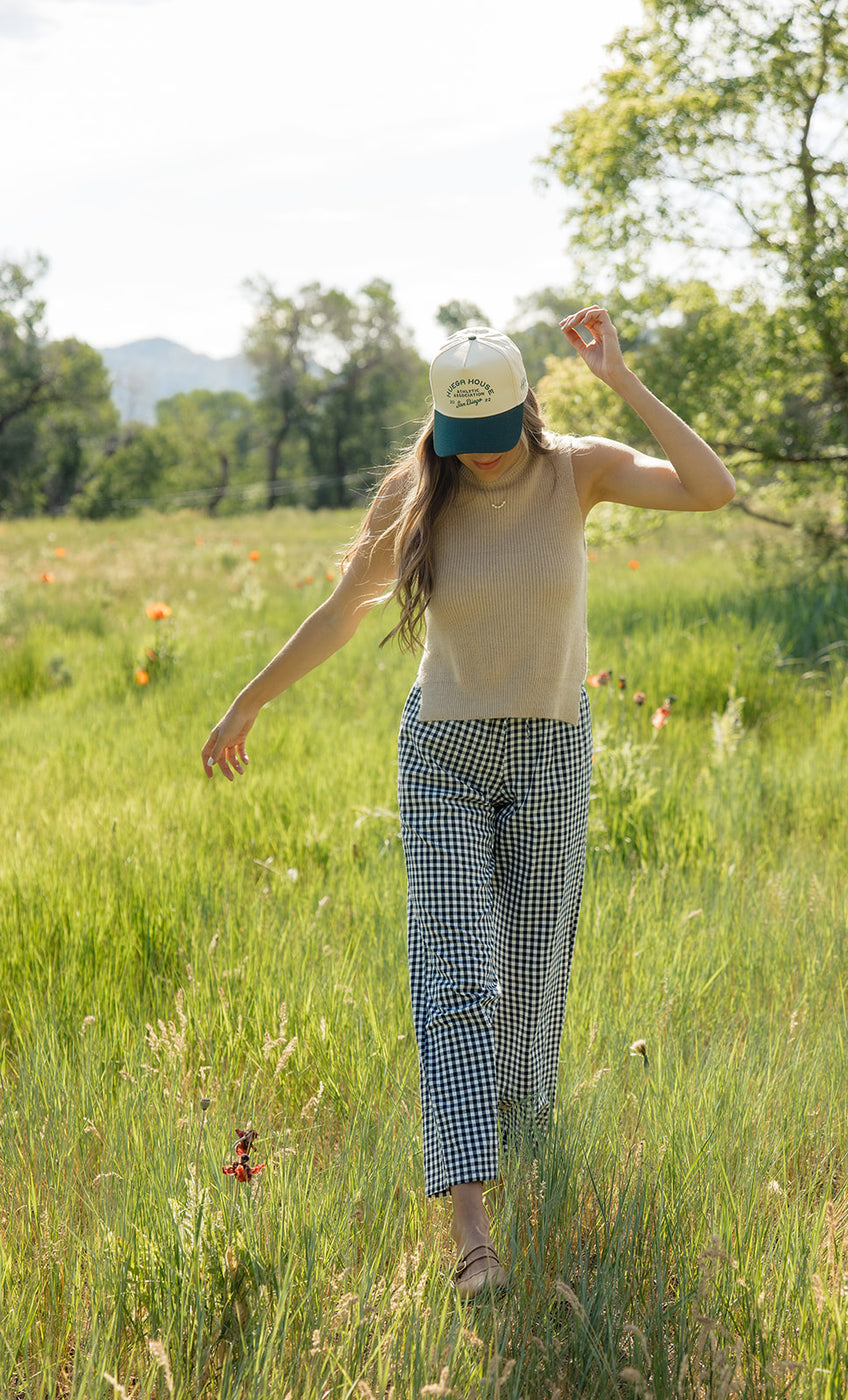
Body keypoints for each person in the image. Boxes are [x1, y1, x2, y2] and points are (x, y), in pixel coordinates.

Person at [201, 306, 735, 1299]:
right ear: (441, 426)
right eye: (466, 442)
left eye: (498, 439)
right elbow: (337, 612)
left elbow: (713, 490)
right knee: (455, 984)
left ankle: (523, 1129)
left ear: (529, 410)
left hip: (552, 750)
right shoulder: (418, 491)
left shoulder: (580, 468)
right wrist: (246, 702)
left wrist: (621, 379)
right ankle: (471, 1226)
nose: (483, 460)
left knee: (531, 980)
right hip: (443, 757)